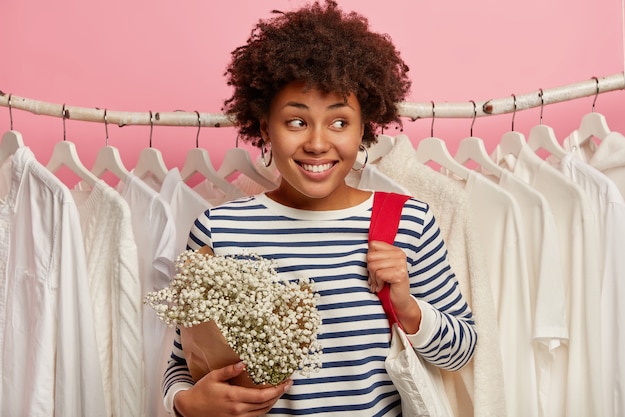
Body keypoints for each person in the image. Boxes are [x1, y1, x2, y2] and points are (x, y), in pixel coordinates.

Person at [162, 1, 477, 416]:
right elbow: (181, 363)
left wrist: (408, 307)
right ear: (263, 126)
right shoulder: (219, 230)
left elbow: (461, 353)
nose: (316, 142)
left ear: (365, 128)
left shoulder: (408, 222)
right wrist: (186, 404)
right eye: (296, 121)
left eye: (339, 122)